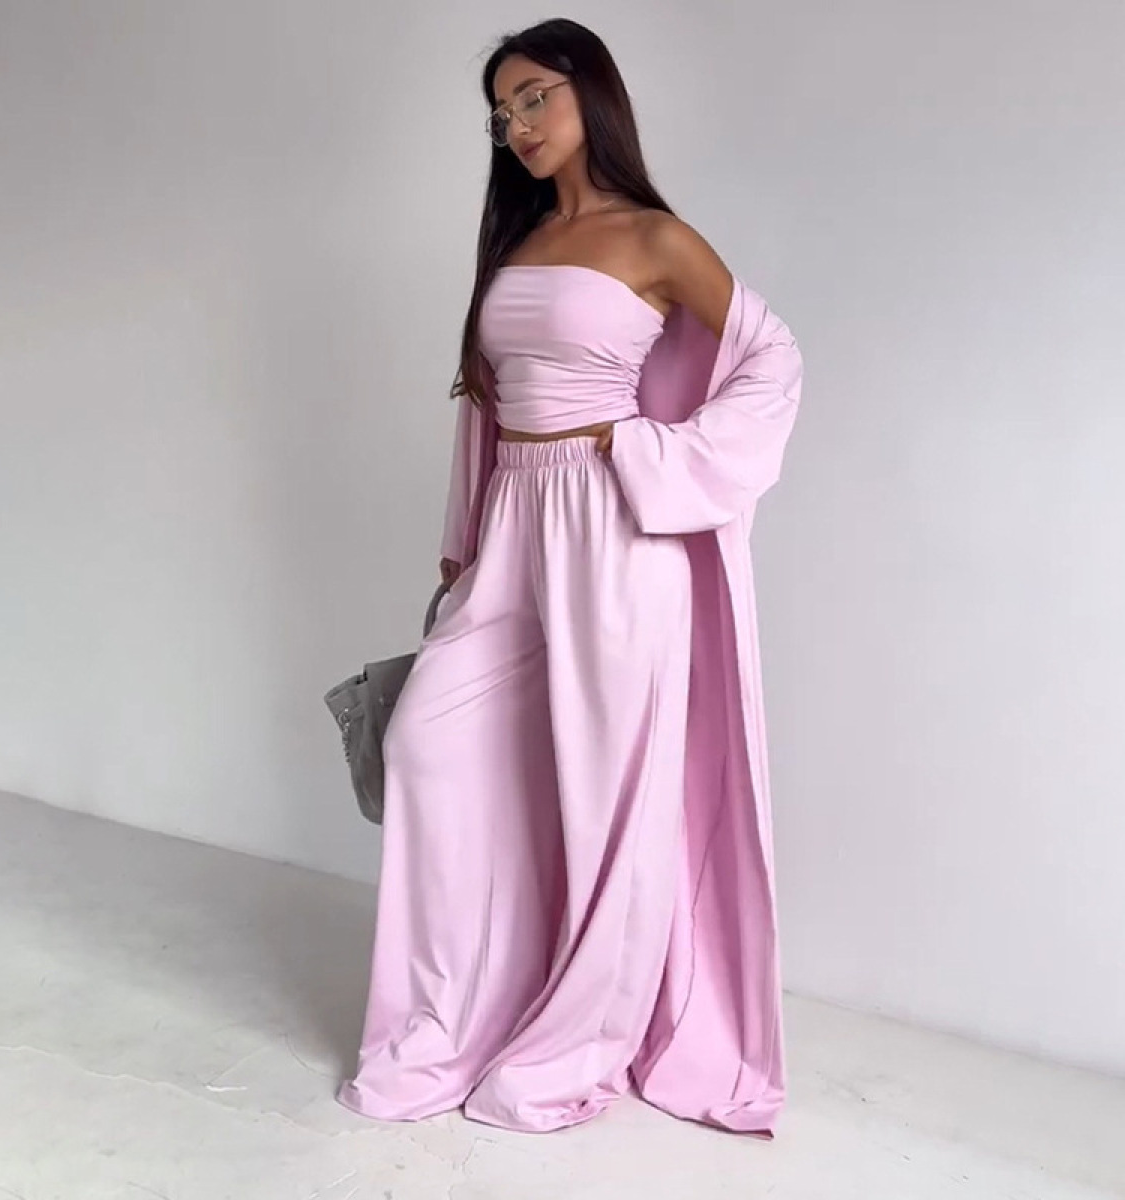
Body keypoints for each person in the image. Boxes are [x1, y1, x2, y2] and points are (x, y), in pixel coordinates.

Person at [336, 17, 803, 1135]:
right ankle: (454, 1017)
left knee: (608, 801)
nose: (519, 125)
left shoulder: (656, 238)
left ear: (591, 91)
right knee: (428, 742)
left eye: (534, 96)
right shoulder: (518, 244)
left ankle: (573, 1045)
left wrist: (651, 454)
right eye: (502, 114)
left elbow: (772, 359)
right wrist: (464, 543)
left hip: (617, 533)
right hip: (515, 529)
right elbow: (487, 406)